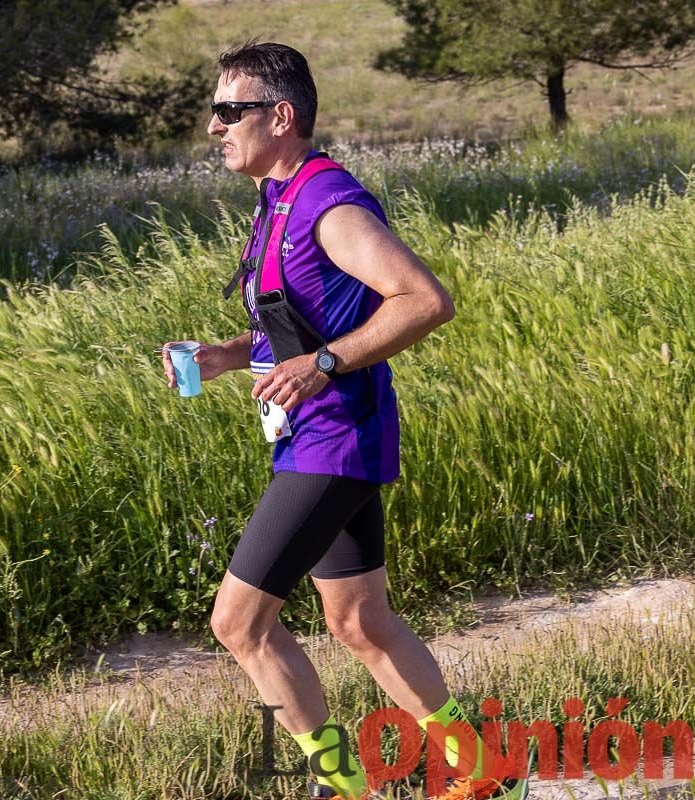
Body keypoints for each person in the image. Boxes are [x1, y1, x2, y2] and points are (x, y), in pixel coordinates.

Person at [162, 41, 527, 800]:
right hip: (319, 439)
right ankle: (486, 771)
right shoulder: (278, 201)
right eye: (215, 111)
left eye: (230, 110)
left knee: (239, 624)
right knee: (359, 622)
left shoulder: (330, 204)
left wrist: (324, 365)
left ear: (281, 116)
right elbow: (293, 324)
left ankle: (344, 787)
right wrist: (230, 355)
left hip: (334, 441)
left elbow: (424, 300)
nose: (213, 126)